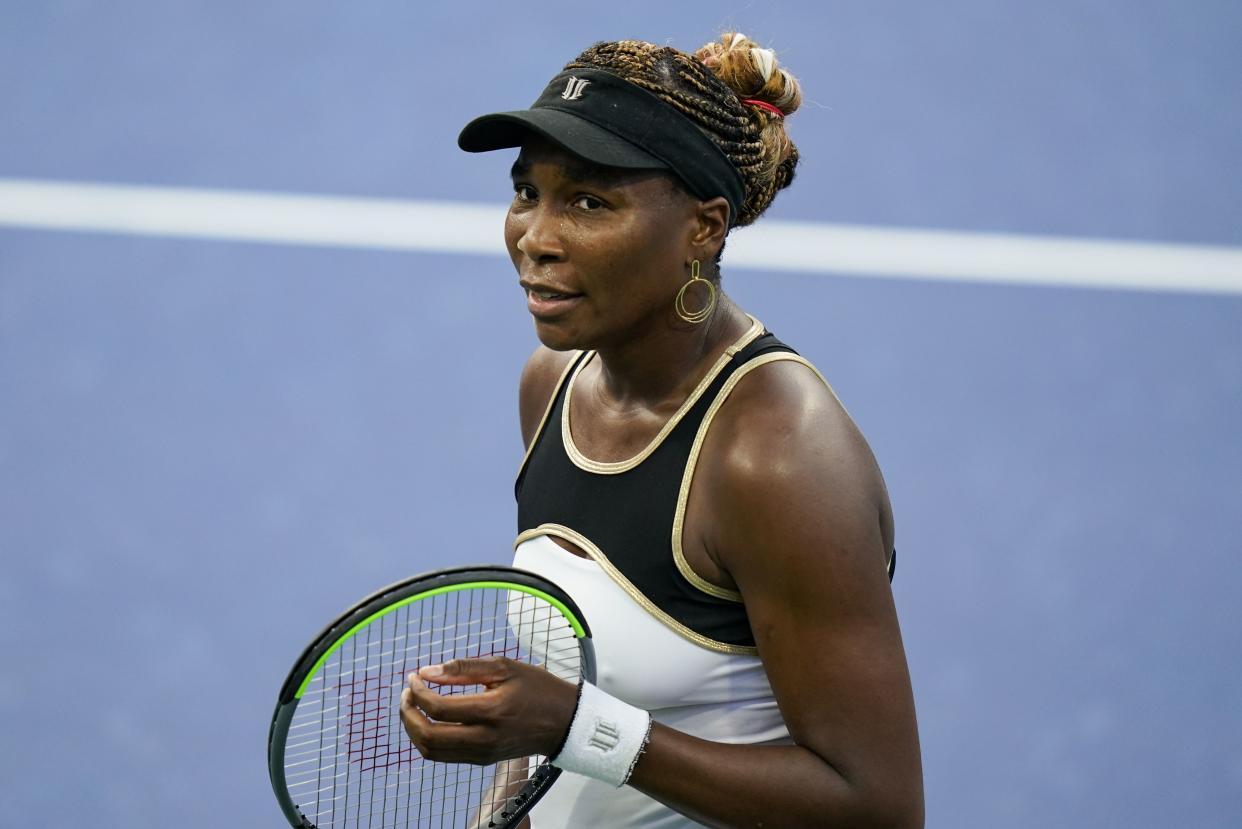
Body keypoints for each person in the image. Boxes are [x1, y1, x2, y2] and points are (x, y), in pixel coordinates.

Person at [400, 34, 923, 828]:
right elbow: (564, 695)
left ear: (704, 228)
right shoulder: (553, 385)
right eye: (525, 192)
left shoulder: (777, 460)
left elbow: (876, 805)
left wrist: (576, 726)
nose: (535, 237)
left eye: (588, 202)